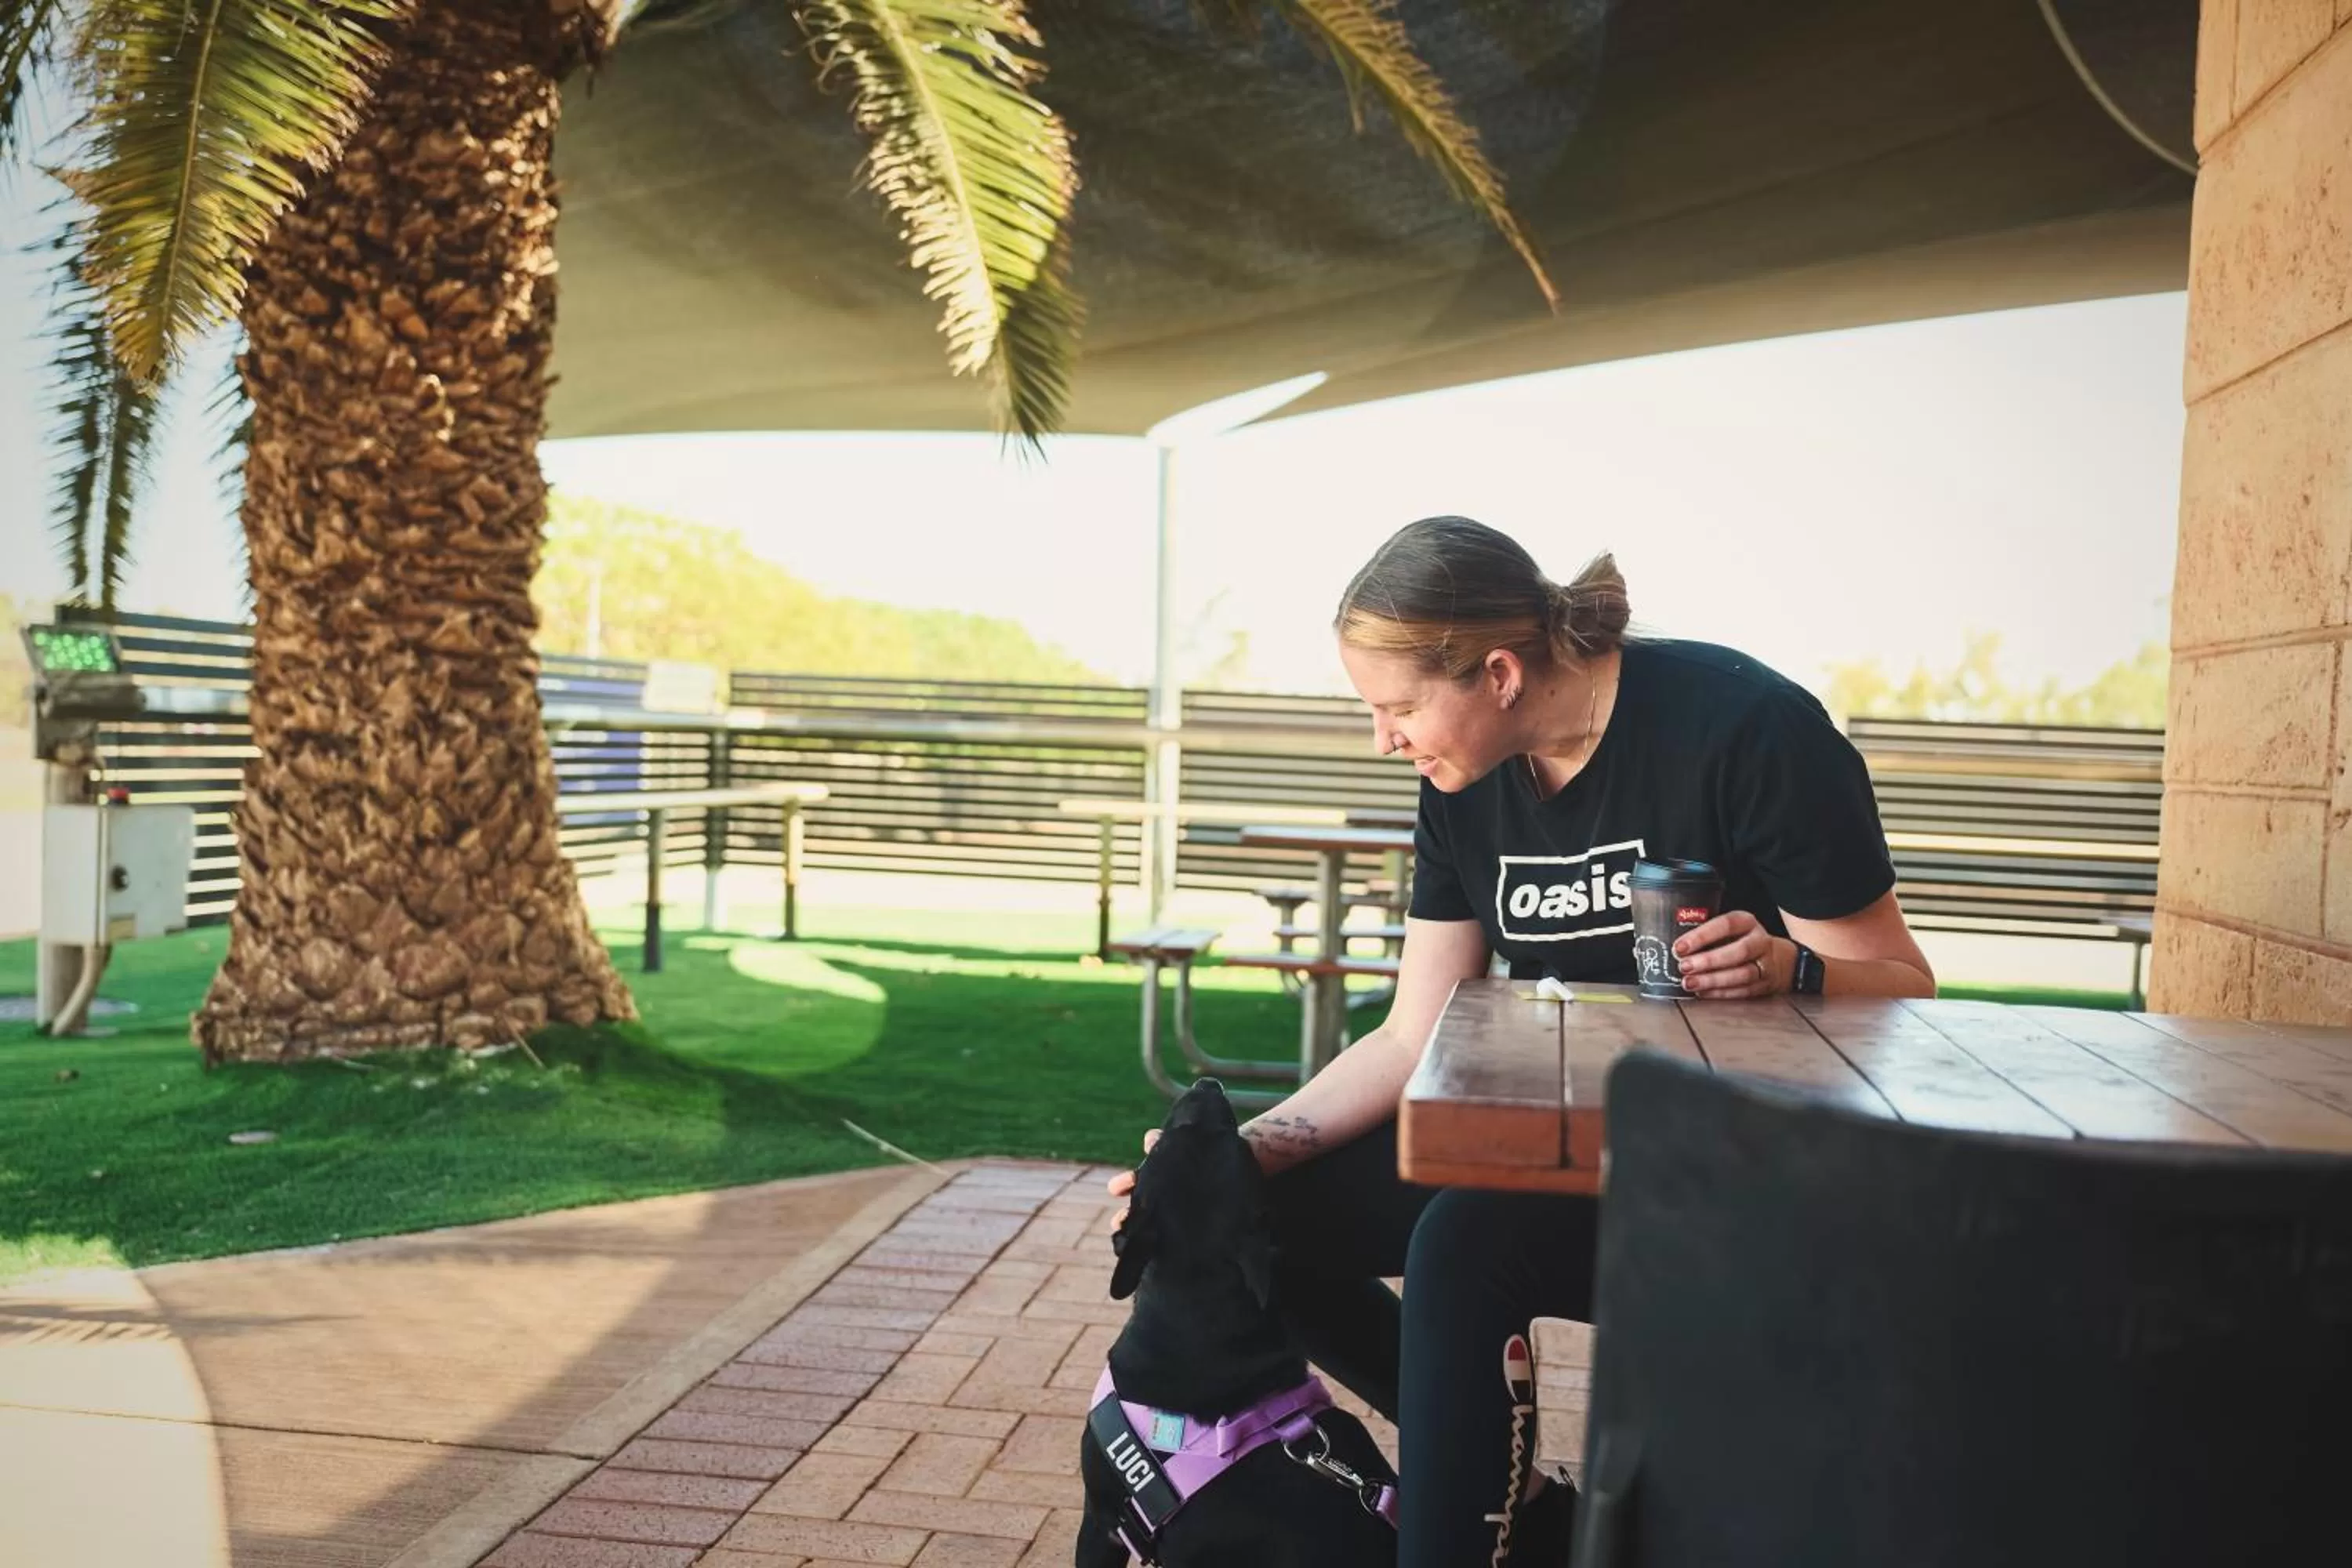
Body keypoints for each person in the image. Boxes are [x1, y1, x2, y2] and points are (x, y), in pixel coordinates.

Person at [1109, 516, 1934, 1566]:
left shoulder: (1748, 727)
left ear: (1498, 672)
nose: (1385, 738)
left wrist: (1794, 968)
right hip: (1557, 1147)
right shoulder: (1461, 784)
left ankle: (1467, 1504)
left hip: (1738, 1156)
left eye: (1401, 708)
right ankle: (1507, 1481)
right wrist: (1234, 1158)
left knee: (1460, 1248)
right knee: (1258, 1217)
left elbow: (1907, 990)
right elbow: (1413, 1033)